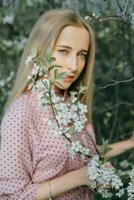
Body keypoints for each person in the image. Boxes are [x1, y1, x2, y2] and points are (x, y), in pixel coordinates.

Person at [0, 9, 134, 200]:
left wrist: (129, 143)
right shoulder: (22, 112)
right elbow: (11, 195)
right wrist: (81, 177)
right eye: (64, 51)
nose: (74, 65)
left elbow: (81, 152)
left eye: (82, 54)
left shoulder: (72, 103)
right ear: (41, 50)